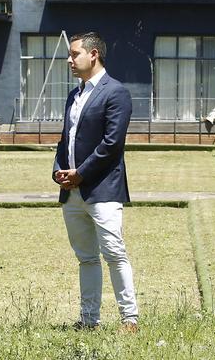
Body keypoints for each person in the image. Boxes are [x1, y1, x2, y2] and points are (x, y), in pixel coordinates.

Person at [53, 32, 138, 332]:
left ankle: (130, 318)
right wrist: (59, 171)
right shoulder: (73, 95)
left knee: (114, 253)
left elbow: (112, 144)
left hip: (103, 190)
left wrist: (80, 174)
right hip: (71, 193)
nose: (69, 60)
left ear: (93, 55)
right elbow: (66, 140)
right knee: (86, 258)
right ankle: (89, 320)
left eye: (74, 54)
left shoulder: (116, 93)